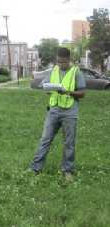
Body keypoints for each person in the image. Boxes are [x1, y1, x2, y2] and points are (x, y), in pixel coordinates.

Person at [29, 47, 86, 181]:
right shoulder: (54, 70)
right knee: (45, 140)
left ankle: (68, 171)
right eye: (58, 62)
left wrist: (67, 92)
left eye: (63, 62)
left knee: (69, 143)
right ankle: (35, 168)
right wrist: (47, 88)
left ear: (69, 60)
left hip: (69, 112)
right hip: (53, 111)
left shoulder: (76, 72)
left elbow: (82, 93)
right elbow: (47, 85)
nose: (60, 65)